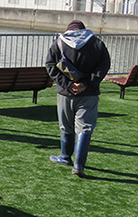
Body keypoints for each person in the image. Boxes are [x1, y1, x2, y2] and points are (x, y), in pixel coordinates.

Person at [44, 20, 111, 177]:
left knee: (65, 126)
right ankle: (78, 166)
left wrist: (68, 85)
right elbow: (104, 66)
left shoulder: (59, 42)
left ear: (69, 29)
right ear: (84, 29)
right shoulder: (97, 44)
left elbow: (50, 65)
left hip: (65, 93)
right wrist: (86, 84)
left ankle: (65, 156)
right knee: (85, 128)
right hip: (89, 93)